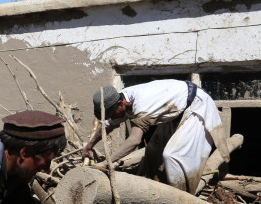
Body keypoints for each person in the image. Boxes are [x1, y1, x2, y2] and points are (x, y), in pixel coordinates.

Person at [82, 80, 230, 193]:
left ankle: (181, 197)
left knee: (172, 155)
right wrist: (88, 147)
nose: (111, 118)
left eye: (111, 114)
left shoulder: (142, 104)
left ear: (120, 103)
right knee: (152, 150)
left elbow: (134, 140)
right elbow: (107, 125)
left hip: (195, 106)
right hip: (174, 110)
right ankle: (157, 190)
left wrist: (106, 163)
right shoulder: (122, 99)